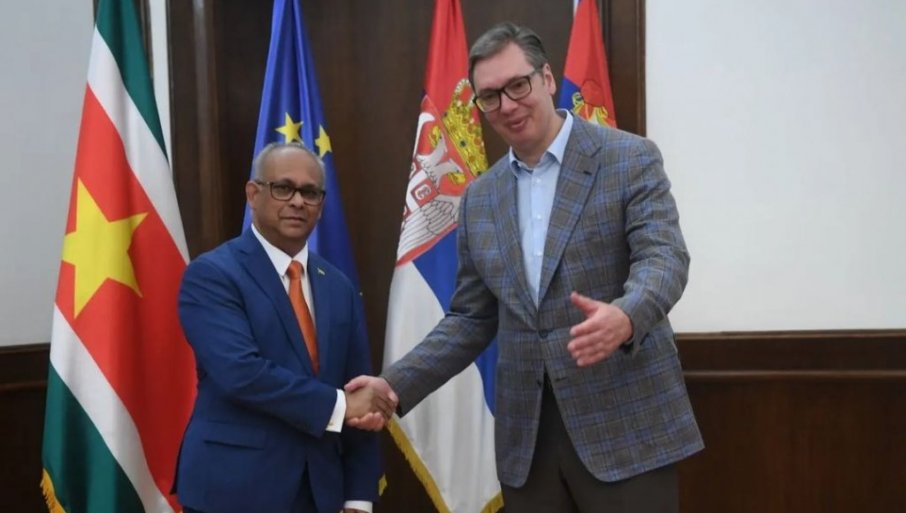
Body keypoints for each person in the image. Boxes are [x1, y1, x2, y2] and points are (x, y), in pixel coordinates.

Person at [348, 22, 703, 513]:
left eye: (518, 85)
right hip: (528, 443)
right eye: (490, 96)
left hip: (624, 427)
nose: (508, 105)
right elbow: (471, 318)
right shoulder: (479, 198)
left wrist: (626, 316)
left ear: (547, 78)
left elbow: (664, 257)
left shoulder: (628, 158)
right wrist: (394, 384)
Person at [174, 142, 393, 513]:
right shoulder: (212, 275)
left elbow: (359, 389)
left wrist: (358, 496)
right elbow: (241, 373)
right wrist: (341, 405)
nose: (297, 201)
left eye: (310, 192)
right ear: (253, 194)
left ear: (321, 204)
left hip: (320, 491)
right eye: (283, 188)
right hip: (234, 490)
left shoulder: (337, 286)